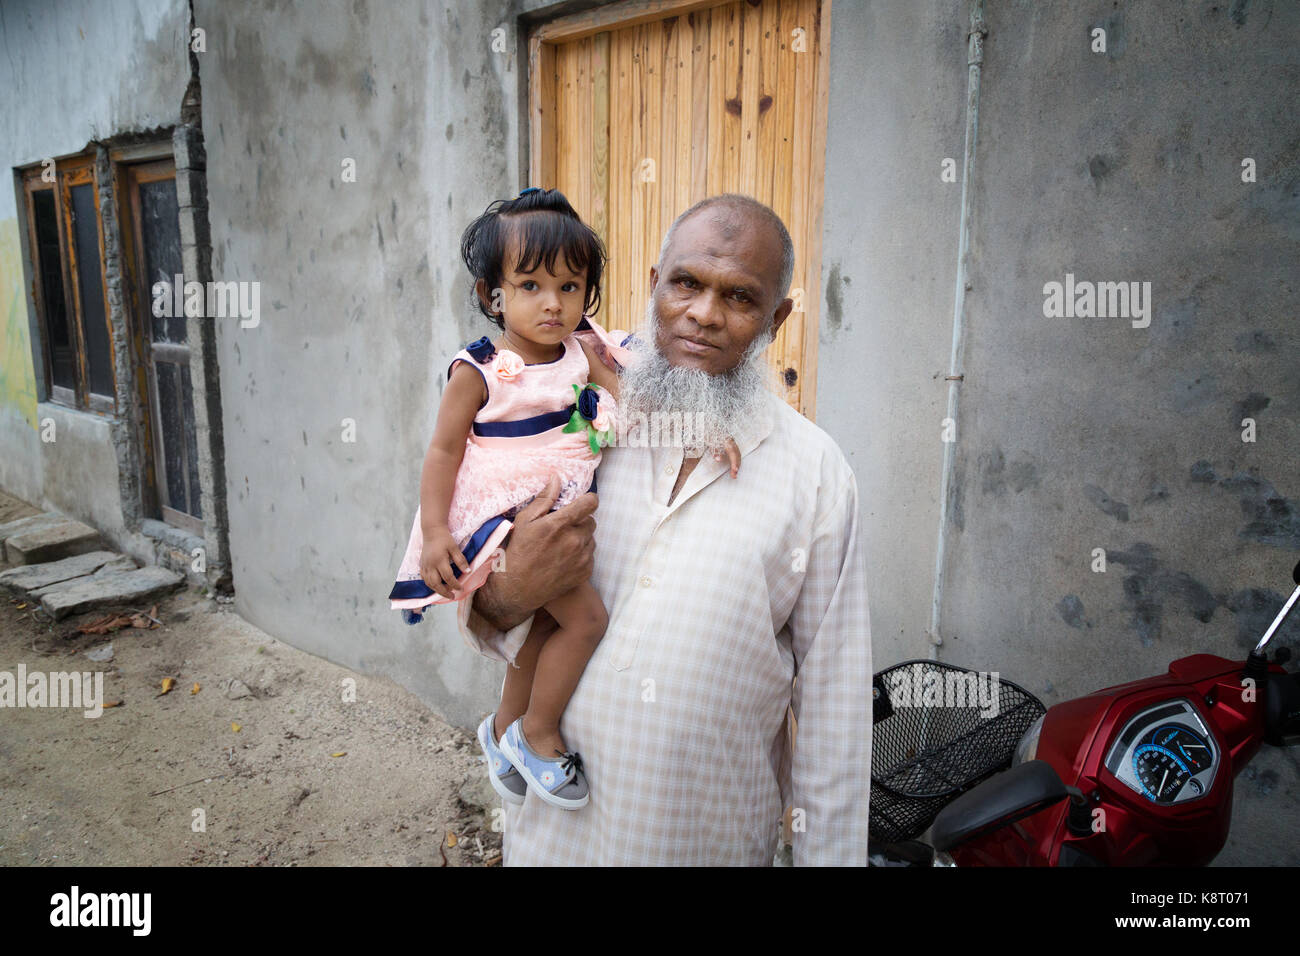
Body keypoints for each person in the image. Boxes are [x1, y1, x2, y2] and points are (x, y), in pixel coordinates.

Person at [459, 193, 873, 865]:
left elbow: (833, 713)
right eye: (687, 283)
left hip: (704, 841)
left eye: (740, 298)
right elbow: (483, 587)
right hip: (553, 841)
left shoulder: (817, 476)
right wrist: (508, 590)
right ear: (654, 286)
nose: (704, 315)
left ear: (778, 319)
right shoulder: (574, 416)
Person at [386, 187, 740, 811]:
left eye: (570, 288)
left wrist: (705, 430)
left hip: (557, 509)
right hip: (504, 519)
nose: (553, 304)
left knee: (545, 629)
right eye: (530, 287)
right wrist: (438, 533)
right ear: (490, 294)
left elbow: (639, 403)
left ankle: (502, 730)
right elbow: (442, 453)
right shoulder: (479, 369)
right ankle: (539, 734)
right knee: (588, 620)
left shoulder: (583, 352)